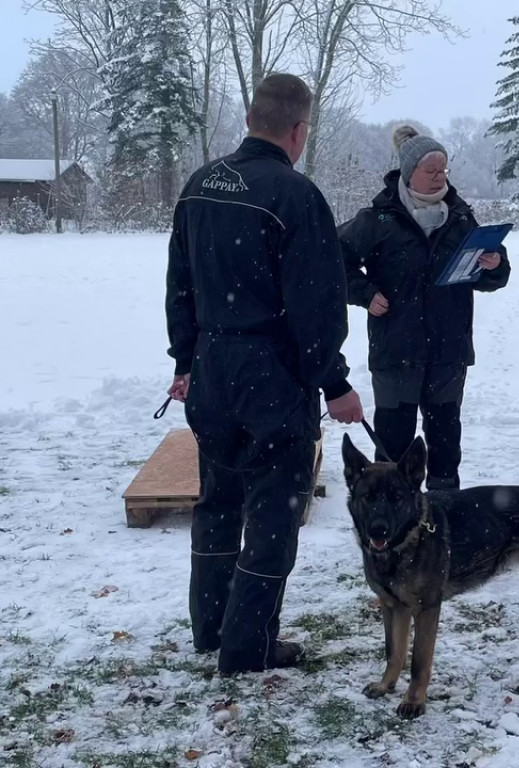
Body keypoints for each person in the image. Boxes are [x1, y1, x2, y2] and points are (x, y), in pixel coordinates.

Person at [164, 73, 364, 675]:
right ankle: (246, 645)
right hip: (270, 370)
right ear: (299, 130)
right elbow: (317, 306)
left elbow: (179, 284)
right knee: (274, 513)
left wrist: (185, 360)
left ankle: (212, 626)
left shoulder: (200, 185)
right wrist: (334, 382)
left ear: (252, 119)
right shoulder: (294, 195)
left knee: (219, 501)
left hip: (212, 365)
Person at [338, 125, 510, 490]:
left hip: (449, 351)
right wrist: (365, 293)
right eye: (430, 170)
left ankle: (445, 511)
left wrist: (495, 265)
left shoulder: (460, 217)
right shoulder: (378, 218)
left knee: (445, 444)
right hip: (395, 351)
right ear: (408, 172)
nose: (438, 176)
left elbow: (491, 276)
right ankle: (390, 513)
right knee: (394, 447)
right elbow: (334, 261)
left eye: (443, 169)